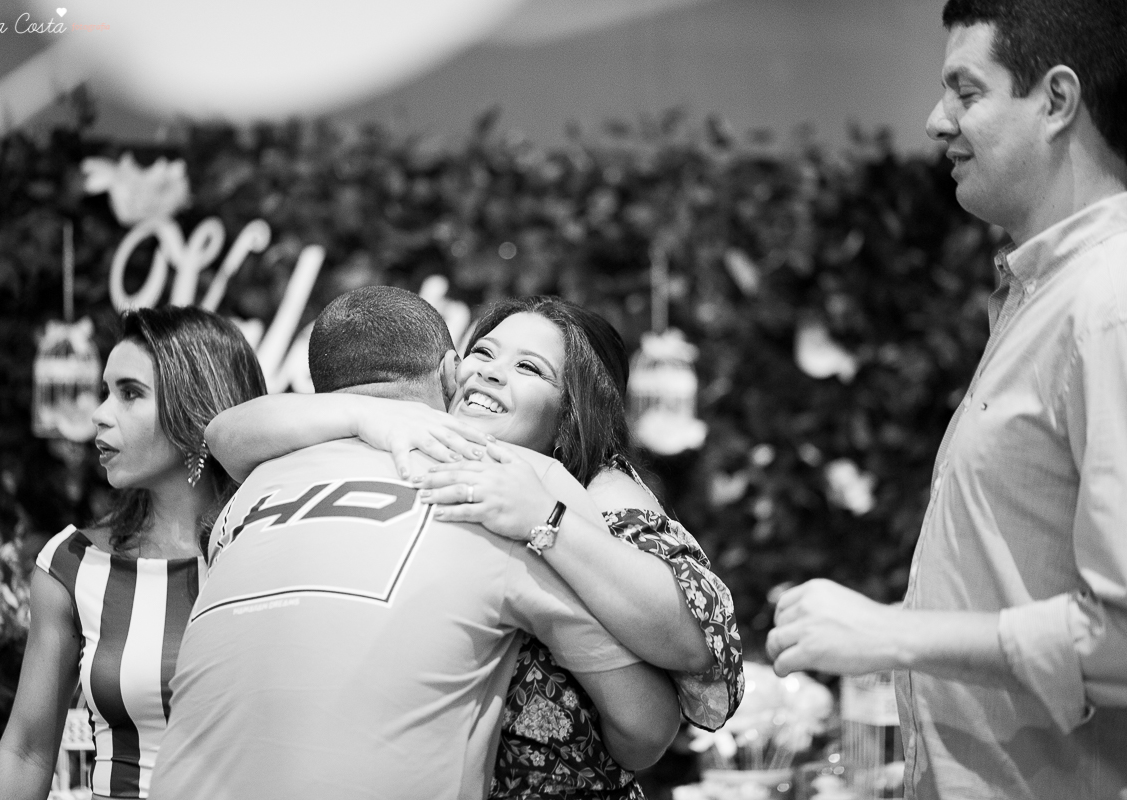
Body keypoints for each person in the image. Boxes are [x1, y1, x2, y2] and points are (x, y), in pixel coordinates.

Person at [765, 1, 1127, 797]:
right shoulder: (1048, 294)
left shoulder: (1109, 301)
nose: (936, 121)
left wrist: (896, 634)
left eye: (966, 91)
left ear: (1058, 101)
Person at [149, 286, 683, 800]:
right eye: (485, 353)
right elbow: (645, 728)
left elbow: (222, 435)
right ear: (453, 372)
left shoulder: (251, 489)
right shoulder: (502, 479)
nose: (494, 373)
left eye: (529, 367)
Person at [0, 306, 267, 800]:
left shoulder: (269, 550)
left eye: (130, 393)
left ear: (195, 406)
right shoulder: (72, 565)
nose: (99, 413)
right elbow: (26, 751)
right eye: (105, 390)